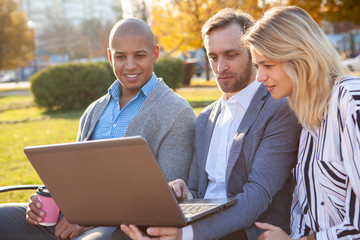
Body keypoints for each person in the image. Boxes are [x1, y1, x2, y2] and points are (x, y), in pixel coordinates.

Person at [0, 18, 196, 240]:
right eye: (121, 56)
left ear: (155, 54)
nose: (130, 65)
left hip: (120, 228)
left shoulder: (177, 112)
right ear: (111, 57)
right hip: (69, 218)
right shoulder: (95, 110)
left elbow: (166, 201)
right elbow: (72, 179)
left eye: (139, 56)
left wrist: (91, 220)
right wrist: (45, 201)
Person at [116, 8, 301, 240]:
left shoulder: (278, 108)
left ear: (254, 53)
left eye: (231, 55)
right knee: (124, 234)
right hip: (199, 225)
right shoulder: (206, 118)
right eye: (213, 57)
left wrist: (188, 234)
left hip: (249, 231)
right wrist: (185, 193)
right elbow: (198, 191)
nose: (220, 67)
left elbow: (258, 195)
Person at [243, 6, 360, 240]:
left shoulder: (350, 101)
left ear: (300, 58)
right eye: (258, 67)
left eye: (267, 65)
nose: (259, 77)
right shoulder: (305, 114)